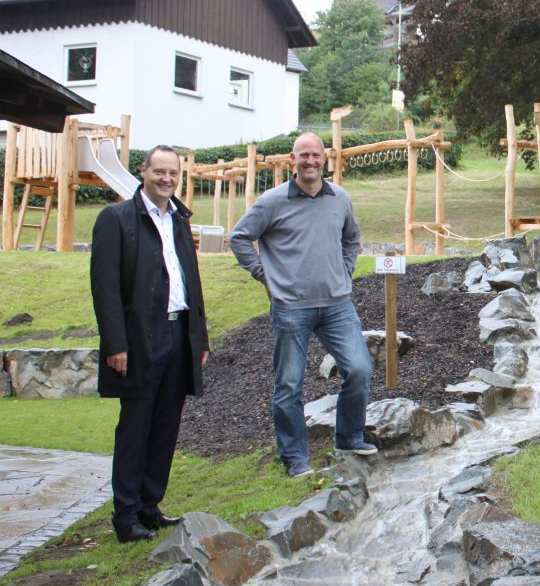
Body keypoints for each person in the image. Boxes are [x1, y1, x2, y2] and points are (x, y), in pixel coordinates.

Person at [230, 132, 376, 478]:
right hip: (291, 307)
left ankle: (349, 436)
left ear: (324, 158)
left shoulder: (339, 197)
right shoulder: (273, 201)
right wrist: (264, 276)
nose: (310, 161)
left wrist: (345, 272)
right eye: (303, 155)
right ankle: (295, 457)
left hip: (337, 304)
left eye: (315, 155)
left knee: (359, 368)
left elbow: (351, 239)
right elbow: (239, 237)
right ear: (292, 159)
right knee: (289, 385)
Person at [91, 145, 209, 543]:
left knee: (165, 426)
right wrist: (115, 345)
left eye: (173, 173)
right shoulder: (116, 219)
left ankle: (149, 506)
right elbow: (105, 289)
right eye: (159, 171)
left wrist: (199, 338)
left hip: (178, 334)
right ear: (143, 172)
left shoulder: (178, 219)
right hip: (140, 338)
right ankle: (125, 517)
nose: (167, 179)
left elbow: (191, 281)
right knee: (135, 426)